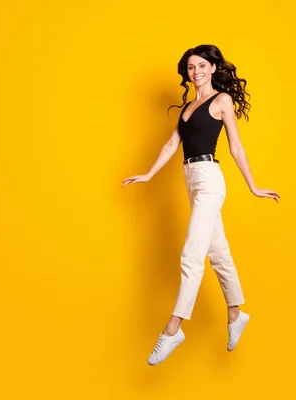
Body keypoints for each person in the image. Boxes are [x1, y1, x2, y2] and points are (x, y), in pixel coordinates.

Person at [122, 44, 280, 366]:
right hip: (190, 180)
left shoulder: (222, 100)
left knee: (191, 255)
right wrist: (149, 174)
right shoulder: (188, 107)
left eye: (201, 66)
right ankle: (236, 314)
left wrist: (252, 186)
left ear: (212, 68)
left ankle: (173, 328)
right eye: (191, 68)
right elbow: (172, 143)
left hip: (209, 179)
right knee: (218, 252)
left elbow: (235, 145)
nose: (196, 72)